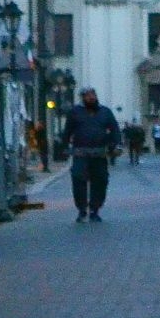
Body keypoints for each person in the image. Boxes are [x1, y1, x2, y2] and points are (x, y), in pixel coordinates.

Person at [64, 89, 119, 222]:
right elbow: (68, 130)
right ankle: (82, 208)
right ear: (83, 98)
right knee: (78, 180)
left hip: (99, 153)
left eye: (93, 95)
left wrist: (114, 144)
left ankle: (95, 209)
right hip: (80, 152)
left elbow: (114, 129)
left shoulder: (105, 112)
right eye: (88, 96)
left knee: (100, 181)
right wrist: (64, 146)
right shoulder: (75, 112)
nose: (91, 98)